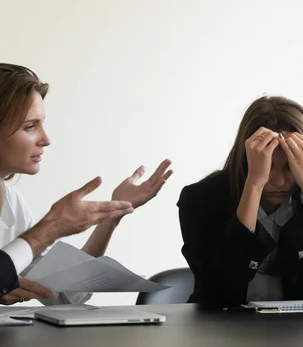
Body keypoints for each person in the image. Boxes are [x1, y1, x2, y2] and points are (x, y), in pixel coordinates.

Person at [0, 63, 173, 305]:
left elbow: (63, 294)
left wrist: (112, 214)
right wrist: (51, 227)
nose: (46, 140)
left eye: (42, 123)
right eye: (30, 127)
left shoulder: (12, 204)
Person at [178, 95, 303, 309]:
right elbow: (220, 293)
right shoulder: (202, 198)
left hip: (298, 333)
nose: (278, 181)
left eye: (290, 167)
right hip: (221, 333)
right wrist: (254, 185)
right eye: (267, 166)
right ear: (246, 160)